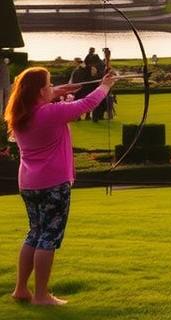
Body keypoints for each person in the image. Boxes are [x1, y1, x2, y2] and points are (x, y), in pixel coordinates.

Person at [3, 65, 118, 305]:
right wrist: (105, 85)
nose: (52, 86)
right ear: (38, 91)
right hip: (53, 183)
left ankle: (21, 290)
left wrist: (55, 92)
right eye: (48, 84)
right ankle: (42, 295)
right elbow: (86, 104)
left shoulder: (20, 112)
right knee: (49, 237)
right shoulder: (50, 113)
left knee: (34, 233)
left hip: (28, 183)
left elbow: (44, 103)